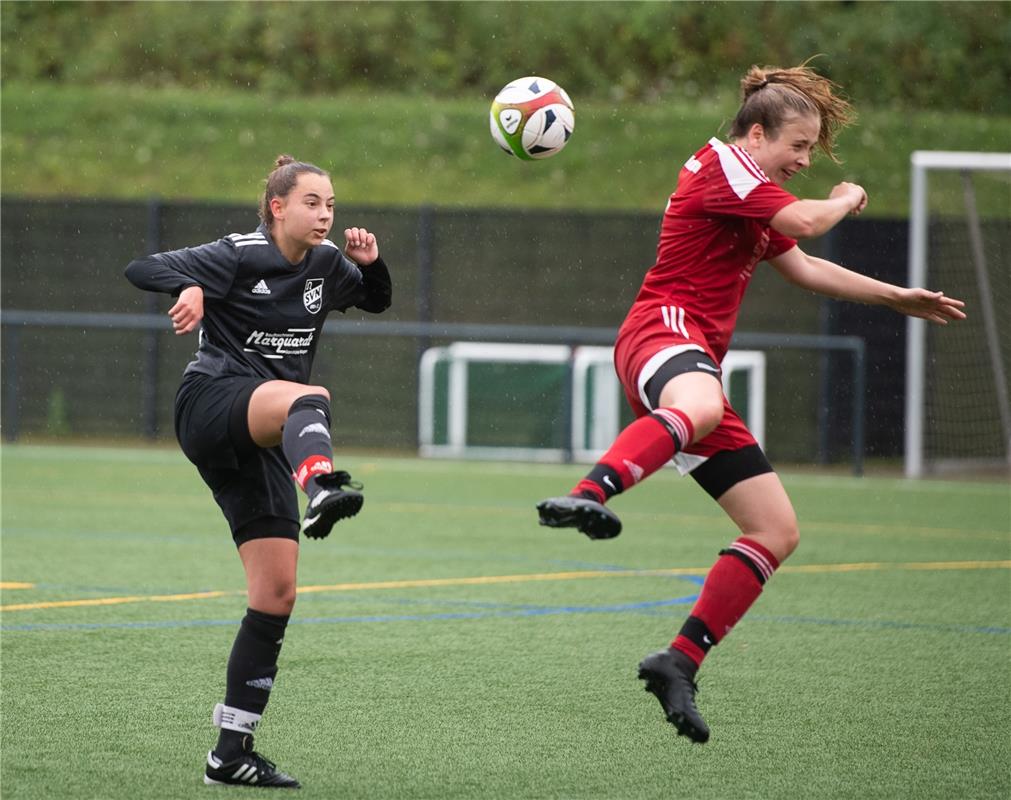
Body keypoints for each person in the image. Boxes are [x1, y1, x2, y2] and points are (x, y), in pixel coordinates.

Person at [536, 63, 966, 744]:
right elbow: (807, 221)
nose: (802, 160)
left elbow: (804, 265)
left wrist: (896, 296)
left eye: (810, 151)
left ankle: (678, 661)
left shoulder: (749, 192)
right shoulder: (723, 165)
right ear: (756, 132)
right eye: (797, 145)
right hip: (661, 332)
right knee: (701, 405)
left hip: (694, 360)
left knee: (774, 530)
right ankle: (593, 490)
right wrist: (846, 195)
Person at [125, 155, 392, 787]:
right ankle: (322, 484)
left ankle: (231, 751)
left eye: (330, 204)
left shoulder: (327, 264)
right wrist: (187, 287)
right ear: (278, 207)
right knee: (311, 398)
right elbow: (142, 268)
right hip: (212, 403)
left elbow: (378, 300)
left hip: (265, 436)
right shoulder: (237, 254)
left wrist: (373, 261)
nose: (325, 214)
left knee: (276, 594)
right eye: (312, 203)